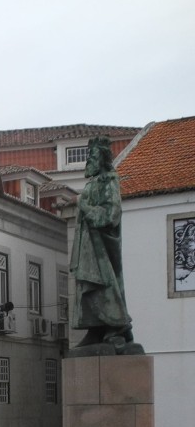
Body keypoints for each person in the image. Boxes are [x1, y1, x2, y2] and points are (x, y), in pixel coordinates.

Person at [71, 135, 136, 351]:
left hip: (102, 247)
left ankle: (116, 327)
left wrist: (84, 206)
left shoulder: (110, 180)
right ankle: (96, 328)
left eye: (93, 155)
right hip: (87, 245)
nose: (89, 159)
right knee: (89, 286)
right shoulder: (93, 183)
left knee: (105, 285)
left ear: (103, 158)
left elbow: (111, 214)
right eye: (88, 156)